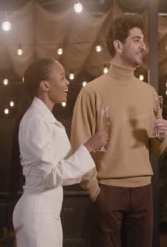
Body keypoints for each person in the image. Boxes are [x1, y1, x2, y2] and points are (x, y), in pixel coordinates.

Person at [70, 15, 167, 247]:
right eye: (136, 40)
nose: (143, 46)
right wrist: (95, 191)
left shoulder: (149, 92)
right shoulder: (92, 92)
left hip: (144, 190)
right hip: (107, 191)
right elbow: (79, 147)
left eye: (143, 40)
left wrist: (161, 136)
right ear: (118, 45)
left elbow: (157, 149)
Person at [12, 58, 108, 247]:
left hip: (45, 214)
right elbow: (51, 176)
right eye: (62, 77)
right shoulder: (35, 121)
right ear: (45, 85)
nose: (68, 83)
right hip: (38, 215)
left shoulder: (45, 119)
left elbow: (65, 175)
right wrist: (88, 148)